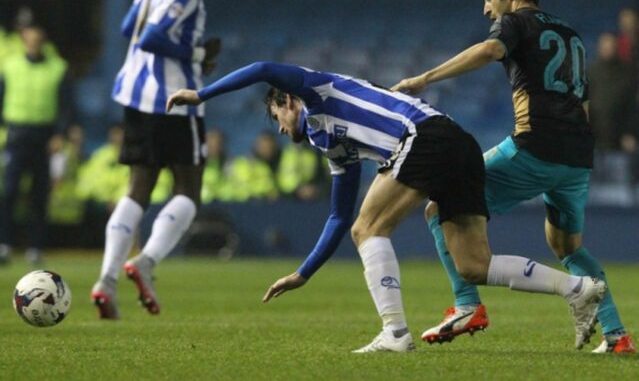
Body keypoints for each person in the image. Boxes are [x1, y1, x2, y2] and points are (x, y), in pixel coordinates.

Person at [167, 60, 605, 353]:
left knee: (369, 229)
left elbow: (263, 68)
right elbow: (339, 215)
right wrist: (303, 273)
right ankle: (577, 289)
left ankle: (395, 331)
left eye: (276, 118)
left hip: (424, 138)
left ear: (286, 101)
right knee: (474, 265)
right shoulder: (332, 142)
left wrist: (200, 96)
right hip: (458, 144)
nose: (280, 131)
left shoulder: (315, 90)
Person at [392, 0, 635, 354]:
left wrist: (424, 78)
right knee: (568, 247)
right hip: (577, 158)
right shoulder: (569, 33)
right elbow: (583, 99)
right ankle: (617, 335)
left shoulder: (514, 22)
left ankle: (468, 304)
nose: (486, 8)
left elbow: (490, 50)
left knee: (439, 207)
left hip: (534, 147)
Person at [90, 0, 222, 320]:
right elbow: (149, 36)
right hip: (174, 100)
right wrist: (198, 56)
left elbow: (128, 26)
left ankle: (106, 281)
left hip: (134, 94)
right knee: (189, 187)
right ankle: (145, 263)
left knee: (139, 187)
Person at [0, 24, 72, 265]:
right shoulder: (10, 67)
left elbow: (65, 104)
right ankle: (5, 244)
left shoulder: (57, 68)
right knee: (9, 192)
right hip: (16, 134)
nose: (33, 43)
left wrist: (60, 133)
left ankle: (35, 247)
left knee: (39, 194)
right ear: (24, 40)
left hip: (44, 137)